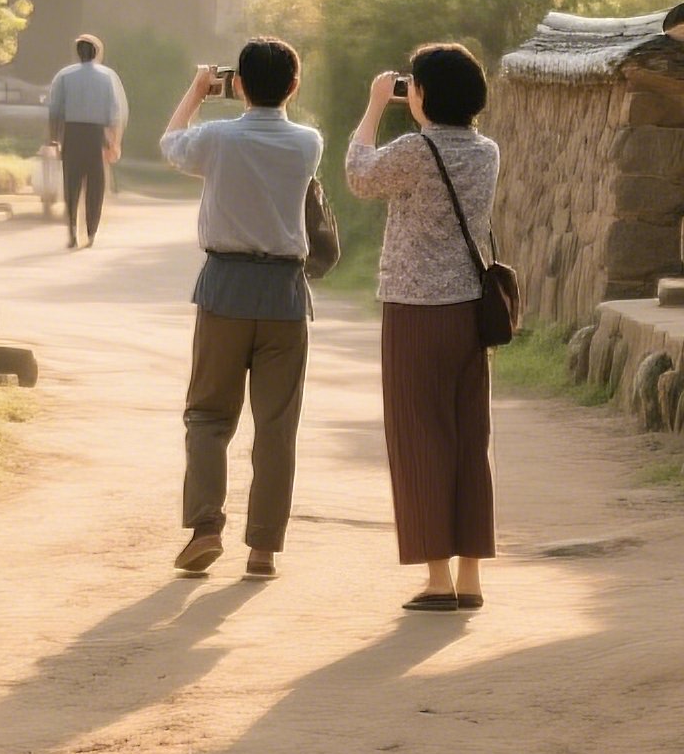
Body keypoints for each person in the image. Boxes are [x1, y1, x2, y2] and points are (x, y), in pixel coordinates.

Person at [345, 42, 502, 616]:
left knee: (419, 440)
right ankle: (471, 575)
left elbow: (359, 176)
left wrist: (373, 106)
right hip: (470, 311)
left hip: (415, 310)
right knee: (469, 439)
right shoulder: (487, 151)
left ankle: (438, 580)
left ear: (424, 94)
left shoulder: (417, 149)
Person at [161, 38, 325, 579]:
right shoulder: (309, 143)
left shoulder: (217, 139)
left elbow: (171, 143)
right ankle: (263, 550)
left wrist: (196, 91)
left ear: (238, 85)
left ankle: (206, 527)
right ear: (294, 86)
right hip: (284, 294)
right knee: (276, 426)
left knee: (208, 415)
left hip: (225, 288)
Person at [44, 34, 130, 249]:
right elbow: (114, 113)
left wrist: (54, 140)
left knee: (71, 184)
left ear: (77, 53)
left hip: (72, 134)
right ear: (97, 53)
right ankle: (91, 232)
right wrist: (114, 143)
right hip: (96, 135)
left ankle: (72, 231)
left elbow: (55, 111)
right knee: (95, 186)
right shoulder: (107, 77)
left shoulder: (64, 76)